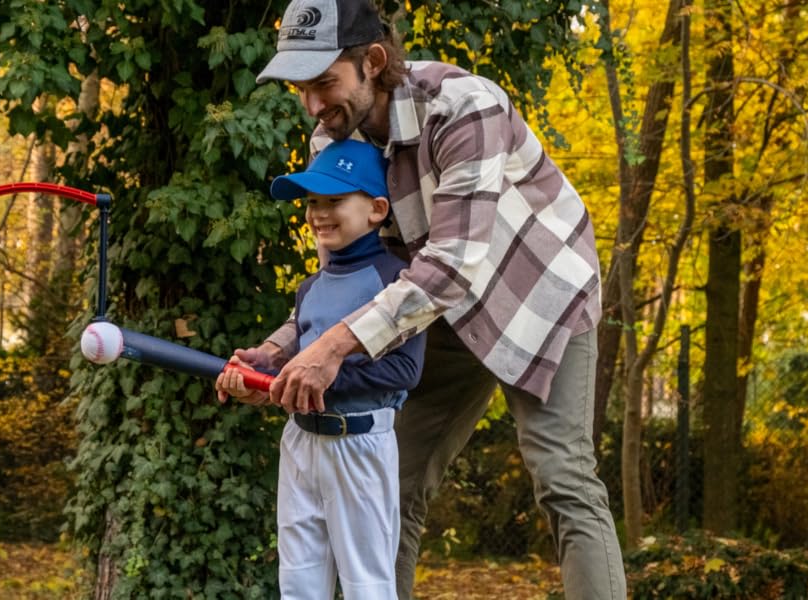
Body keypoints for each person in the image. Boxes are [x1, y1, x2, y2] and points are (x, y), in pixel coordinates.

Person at [233, 0, 629, 597]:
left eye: (324, 83)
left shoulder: (465, 106)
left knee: (563, 478)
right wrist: (280, 348)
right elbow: (341, 281)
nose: (313, 105)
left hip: (536, 297)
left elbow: (453, 266)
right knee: (394, 483)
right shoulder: (330, 140)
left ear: (372, 61)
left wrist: (334, 348)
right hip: (425, 310)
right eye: (301, 89)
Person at [216, 139, 425, 600]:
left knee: (366, 584)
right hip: (300, 442)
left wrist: (321, 381)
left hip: (359, 444)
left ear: (376, 209)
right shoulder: (310, 286)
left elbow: (404, 372)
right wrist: (263, 372)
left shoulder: (396, 281)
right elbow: (293, 356)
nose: (318, 213)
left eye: (334, 201)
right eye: (312, 202)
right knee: (298, 582)